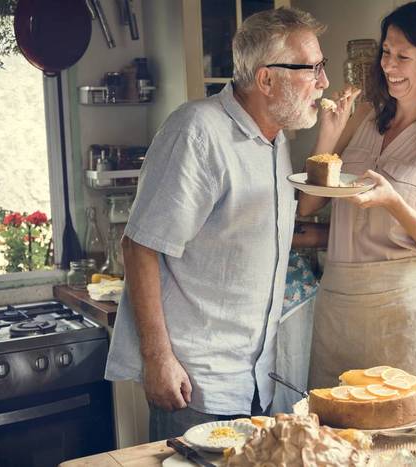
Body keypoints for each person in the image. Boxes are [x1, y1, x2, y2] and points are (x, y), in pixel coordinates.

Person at [104, 8, 330, 441]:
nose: (323, 81)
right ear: (266, 80)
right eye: (312, 69)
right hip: (196, 385)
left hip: (256, 381)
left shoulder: (274, 138)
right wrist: (157, 359)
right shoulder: (198, 131)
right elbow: (139, 246)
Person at [300, 0, 416, 388]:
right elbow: (309, 203)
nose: (388, 65)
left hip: (405, 313)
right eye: (386, 52)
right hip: (338, 306)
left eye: (403, 56)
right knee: (334, 437)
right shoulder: (366, 114)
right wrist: (329, 136)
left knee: (404, 442)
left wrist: (394, 203)